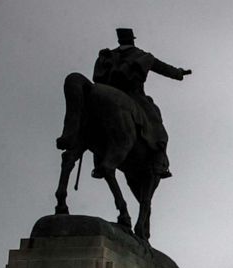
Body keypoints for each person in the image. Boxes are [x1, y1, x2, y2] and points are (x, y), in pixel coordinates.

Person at [60, 28, 191, 178]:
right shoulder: (142, 56)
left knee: (92, 121)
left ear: (119, 40)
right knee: (157, 125)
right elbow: (164, 69)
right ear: (132, 40)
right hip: (134, 95)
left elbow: (97, 77)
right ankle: (159, 161)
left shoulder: (107, 55)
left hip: (104, 91)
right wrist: (179, 73)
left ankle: (87, 149)